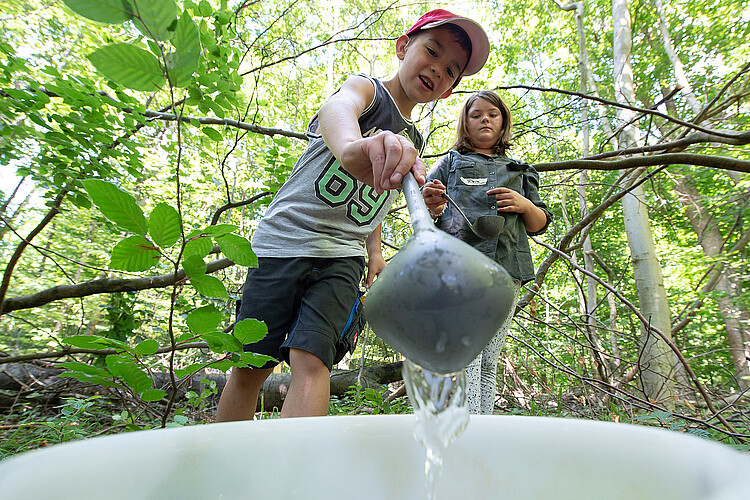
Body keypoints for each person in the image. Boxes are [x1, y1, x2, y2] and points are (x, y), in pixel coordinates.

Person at [215, 9, 490, 420]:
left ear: (449, 90)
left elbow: (375, 200)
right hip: (284, 241)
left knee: (313, 360)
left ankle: (296, 476)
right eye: (431, 51)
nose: (438, 69)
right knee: (251, 365)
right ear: (403, 47)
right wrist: (349, 147)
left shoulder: (414, 139)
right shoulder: (368, 92)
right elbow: (337, 107)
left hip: (343, 256)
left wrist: (377, 249)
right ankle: (222, 471)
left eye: (451, 70)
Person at [422, 90, 552, 415]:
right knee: (469, 352)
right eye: (476, 114)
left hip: (509, 272)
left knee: (489, 358)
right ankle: (468, 432)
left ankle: (482, 429)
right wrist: (431, 200)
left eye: (492, 115)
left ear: (503, 122)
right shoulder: (450, 162)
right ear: (465, 123)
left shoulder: (521, 170)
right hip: (460, 268)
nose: (485, 120)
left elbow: (539, 224)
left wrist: (524, 205)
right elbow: (425, 204)